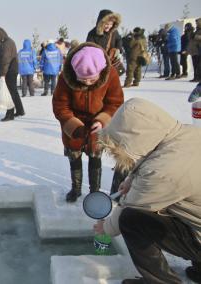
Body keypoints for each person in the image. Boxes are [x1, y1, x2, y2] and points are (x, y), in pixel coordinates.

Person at [95, 98, 201, 284]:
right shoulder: (187, 133)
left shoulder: (163, 172)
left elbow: (129, 207)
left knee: (130, 220)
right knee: (182, 203)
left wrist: (105, 227)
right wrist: (131, 179)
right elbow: (153, 152)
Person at [52, 43, 124, 202]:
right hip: (73, 125)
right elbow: (60, 105)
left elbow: (115, 103)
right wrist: (73, 125)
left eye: (92, 79)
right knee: (74, 157)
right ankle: (76, 189)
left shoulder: (110, 74)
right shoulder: (66, 76)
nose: (87, 83)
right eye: (83, 79)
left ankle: (94, 192)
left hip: (97, 124)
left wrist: (103, 120)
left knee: (95, 157)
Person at [0, 27, 25, 121]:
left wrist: (2, 73)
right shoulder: (8, 42)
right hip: (12, 69)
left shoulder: (6, 44)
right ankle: (20, 110)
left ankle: (10, 114)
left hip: (9, 70)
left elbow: (5, 60)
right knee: (13, 90)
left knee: (9, 92)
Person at [87, 10, 124, 76]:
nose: (109, 26)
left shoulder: (114, 32)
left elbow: (119, 40)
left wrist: (118, 49)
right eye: (107, 24)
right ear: (101, 23)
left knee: (111, 79)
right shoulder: (92, 34)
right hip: (98, 65)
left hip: (111, 63)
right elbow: (89, 49)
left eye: (111, 24)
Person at [189, 18, 201, 82]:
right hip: (195, 50)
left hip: (199, 49)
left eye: (197, 22)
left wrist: (195, 36)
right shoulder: (197, 30)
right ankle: (196, 77)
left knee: (199, 65)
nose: (196, 24)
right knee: (195, 64)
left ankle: (199, 77)